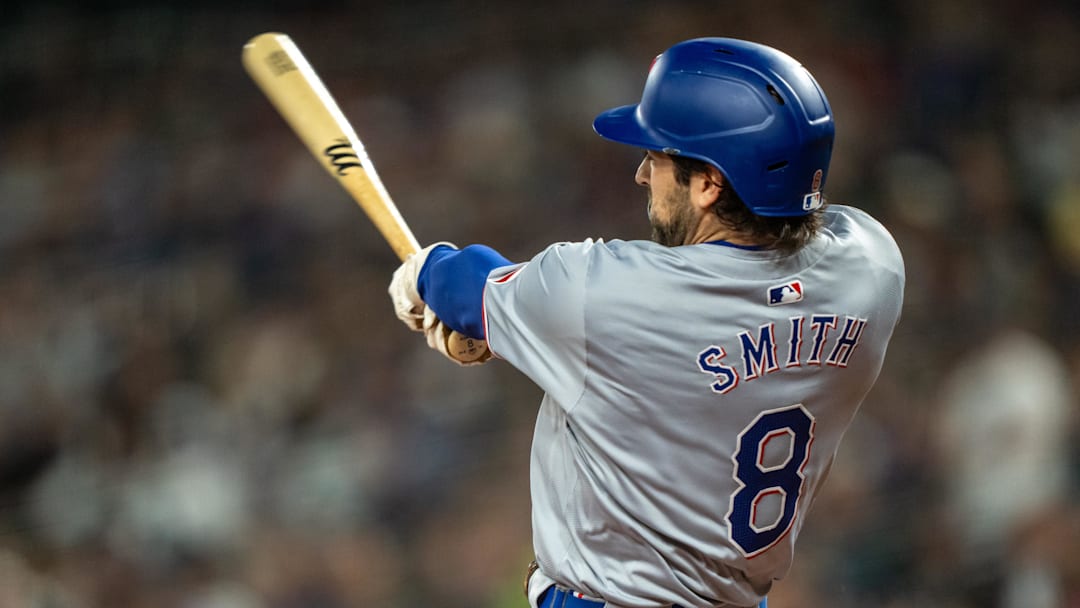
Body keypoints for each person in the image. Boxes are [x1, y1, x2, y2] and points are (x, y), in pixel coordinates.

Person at [389, 38, 905, 608]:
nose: (641, 174)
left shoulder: (604, 293)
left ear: (710, 183)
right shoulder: (874, 269)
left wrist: (424, 272)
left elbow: (461, 285)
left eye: (657, 157)